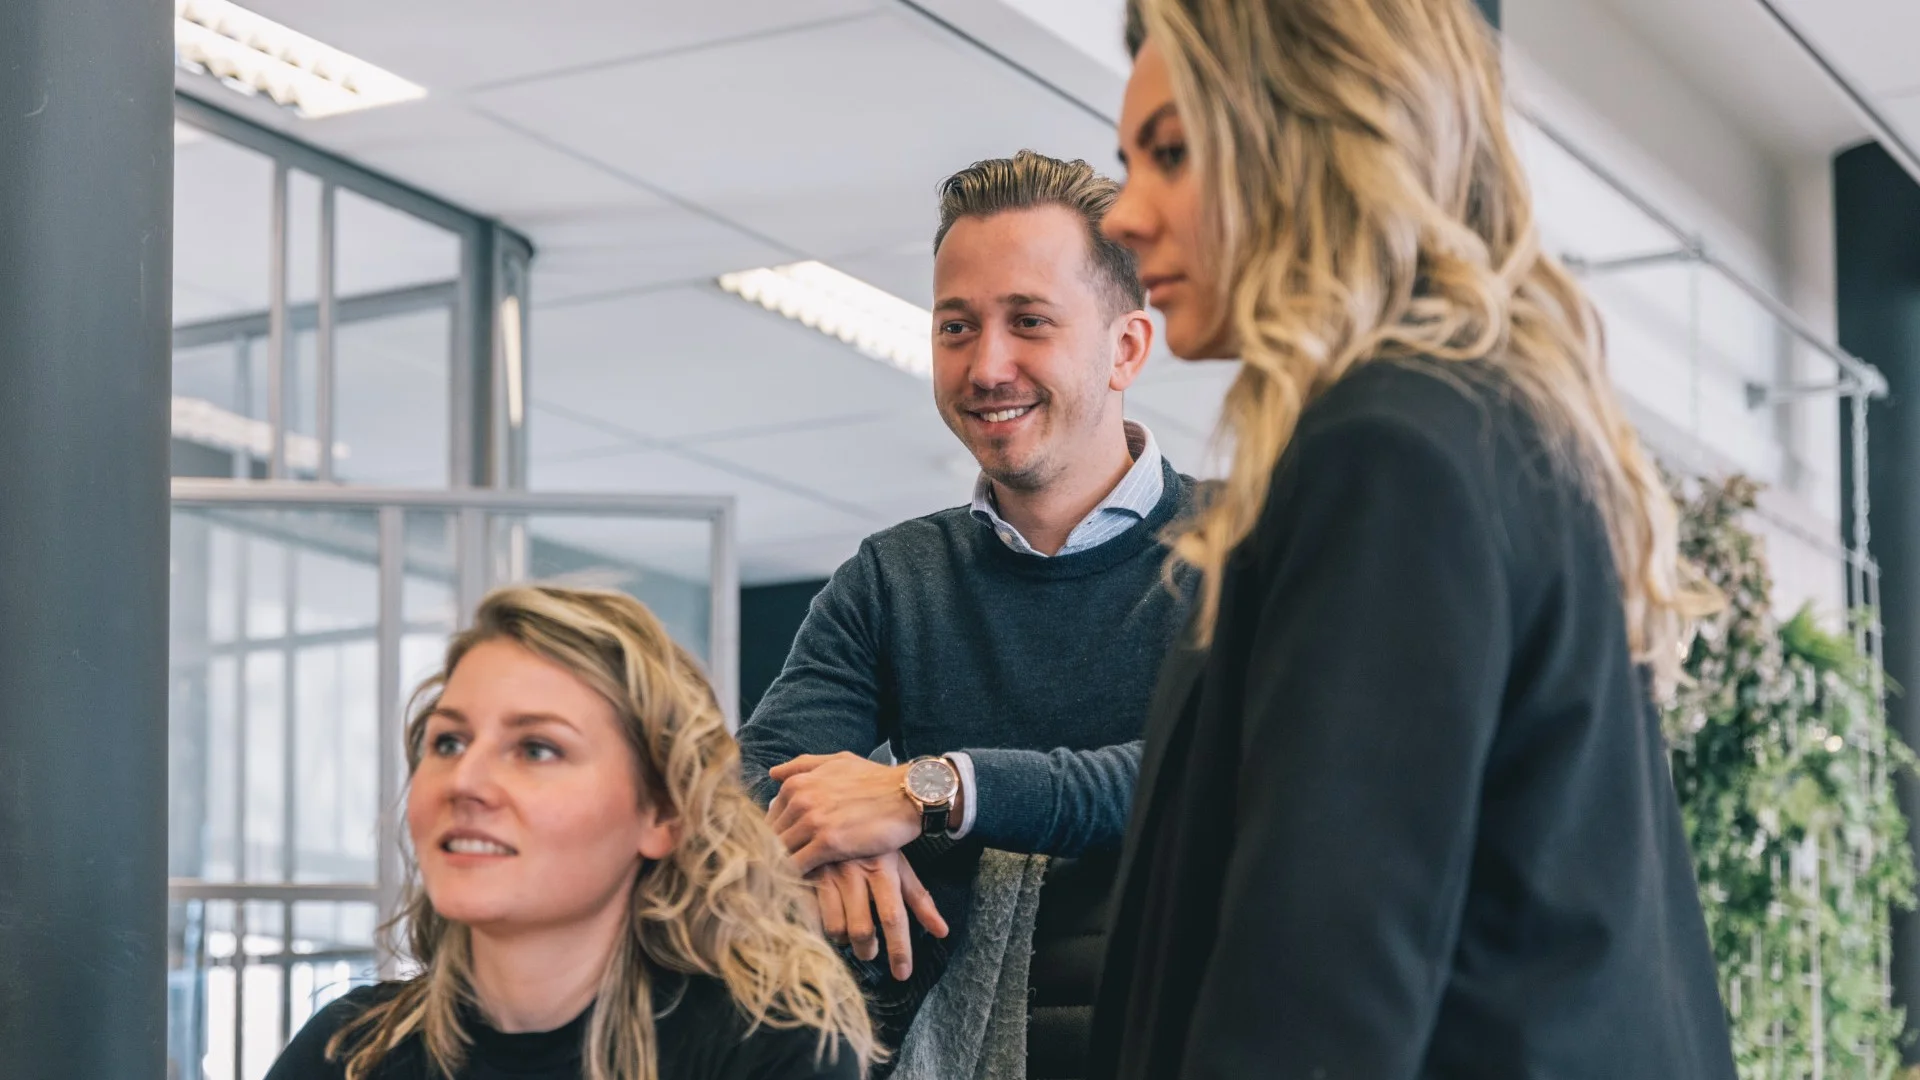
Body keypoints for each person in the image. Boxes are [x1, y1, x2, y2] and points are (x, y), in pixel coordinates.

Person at [1089, 1, 1739, 1078]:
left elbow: (1315, 1001)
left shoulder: (1385, 455)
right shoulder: (1494, 432)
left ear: (1312, 137)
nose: (1124, 214)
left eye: (1173, 153)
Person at [737, 150, 1198, 1077]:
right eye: (957, 327)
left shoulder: (1242, 549)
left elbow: (1209, 768)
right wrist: (837, 842)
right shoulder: (893, 579)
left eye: (1029, 322)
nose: (987, 366)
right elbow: (750, 781)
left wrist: (933, 792)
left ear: (1127, 348)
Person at [266, 585, 875, 1080]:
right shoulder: (348, 1051)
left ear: (662, 814)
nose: (465, 781)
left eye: (536, 749)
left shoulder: (768, 1050)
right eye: (448, 742)